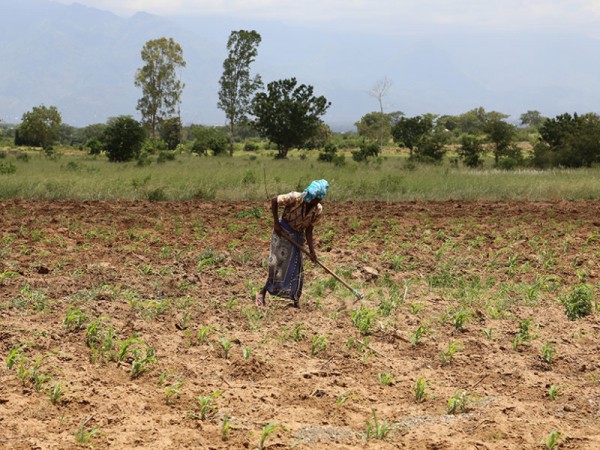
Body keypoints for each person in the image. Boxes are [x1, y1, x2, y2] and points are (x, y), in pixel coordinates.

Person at [256, 179, 329, 308]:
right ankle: (262, 292)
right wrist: (276, 224)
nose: (309, 200)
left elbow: (309, 230)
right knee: (277, 265)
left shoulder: (317, 210)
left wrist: (312, 251)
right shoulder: (296, 197)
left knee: (297, 267)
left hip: (298, 236)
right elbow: (274, 200)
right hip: (282, 232)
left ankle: (295, 300)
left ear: (318, 199)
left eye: (313, 199)